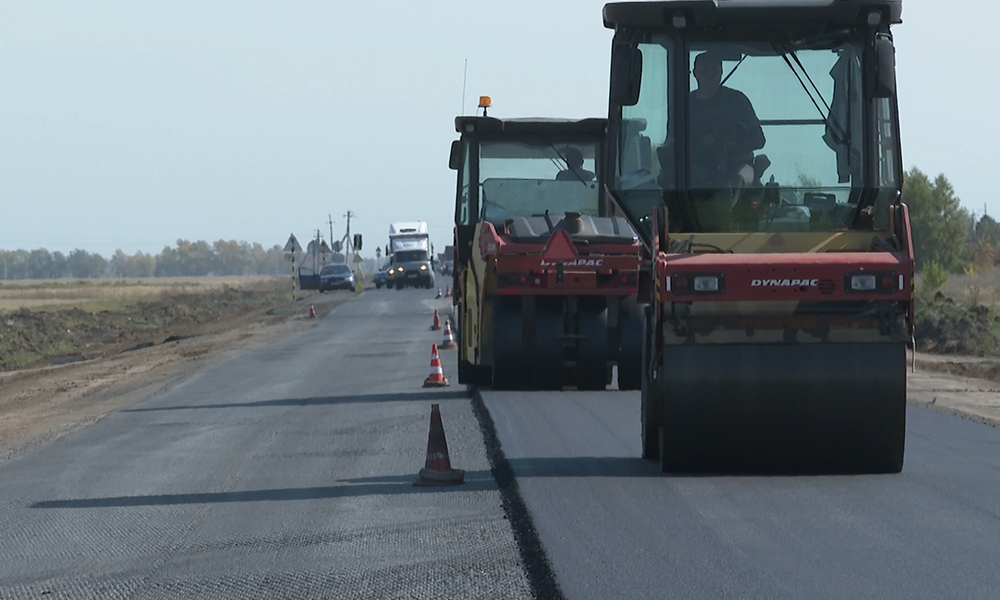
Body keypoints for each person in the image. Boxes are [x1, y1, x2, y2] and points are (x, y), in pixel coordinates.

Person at [688, 51, 765, 188]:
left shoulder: (737, 101)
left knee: (743, 177)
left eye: (714, 70)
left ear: (721, 73)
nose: (709, 75)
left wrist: (735, 146)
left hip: (738, 165)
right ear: (695, 73)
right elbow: (672, 142)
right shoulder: (684, 104)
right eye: (704, 70)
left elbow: (759, 139)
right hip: (693, 171)